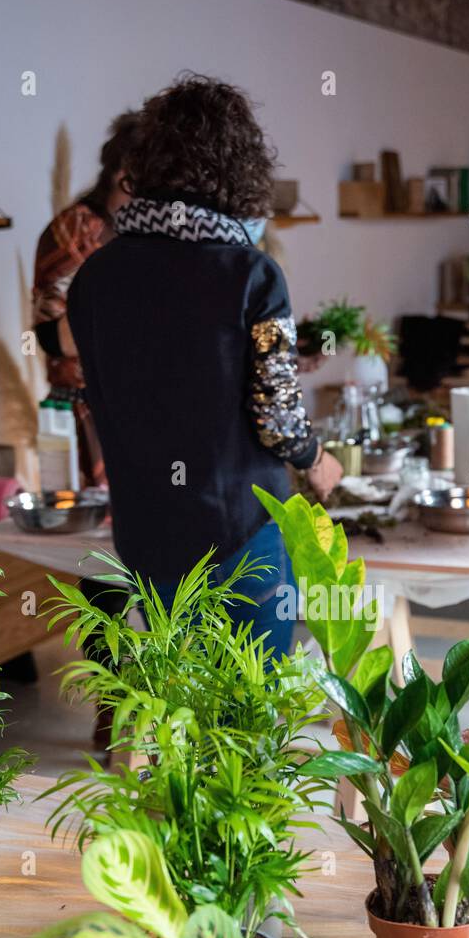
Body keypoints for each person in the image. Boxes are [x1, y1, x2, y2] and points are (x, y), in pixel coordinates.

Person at [66, 74, 342, 659]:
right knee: (252, 711)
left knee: (183, 710)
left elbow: (107, 393)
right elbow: (276, 413)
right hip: (241, 526)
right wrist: (319, 462)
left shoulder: (93, 279)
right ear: (240, 169)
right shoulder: (252, 275)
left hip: (148, 530)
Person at [33, 112, 142, 749]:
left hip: (133, 408)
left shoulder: (134, 230)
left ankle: (147, 700)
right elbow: (51, 332)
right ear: (125, 176)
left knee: (146, 553)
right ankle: (109, 708)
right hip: (87, 410)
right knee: (103, 565)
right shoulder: (80, 229)